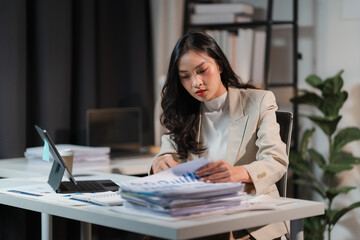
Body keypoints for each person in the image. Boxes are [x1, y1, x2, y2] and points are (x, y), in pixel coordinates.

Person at [149, 32, 289, 240]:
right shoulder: (185, 111)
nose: (196, 82)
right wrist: (159, 162)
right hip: (199, 216)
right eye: (185, 76)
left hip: (249, 220)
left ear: (220, 65)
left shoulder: (258, 102)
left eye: (202, 70)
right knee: (153, 232)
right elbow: (168, 151)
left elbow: (276, 160)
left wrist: (238, 173)